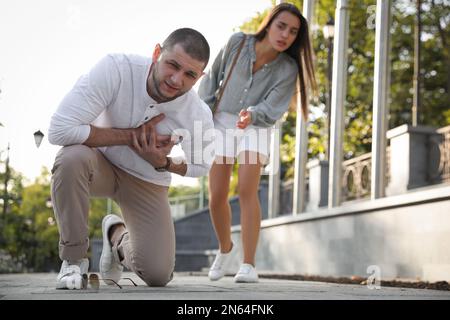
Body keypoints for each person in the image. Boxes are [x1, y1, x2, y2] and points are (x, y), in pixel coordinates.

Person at [48, 28, 215, 289]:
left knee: (158, 275)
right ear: (157, 52)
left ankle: (116, 234)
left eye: (190, 75)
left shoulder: (197, 112)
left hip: (147, 178)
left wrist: (164, 163)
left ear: (200, 77)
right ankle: (72, 261)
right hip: (98, 164)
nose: (176, 79)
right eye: (173, 65)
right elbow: (59, 130)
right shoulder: (117, 69)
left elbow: (202, 165)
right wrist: (130, 137)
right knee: (71, 157)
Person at [198, 3, 317, 283]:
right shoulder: (238, 42)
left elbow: (273, 107)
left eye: (293, 31)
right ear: (269, 23)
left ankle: (248, 265)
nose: (285, 34)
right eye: (281, 26)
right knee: (216, 196)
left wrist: (252, 114)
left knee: (247, 189)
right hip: (222, 121)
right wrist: (203, 112)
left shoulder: (288, 68)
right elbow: (212, 77)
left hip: (256, 125)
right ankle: (225, 248)